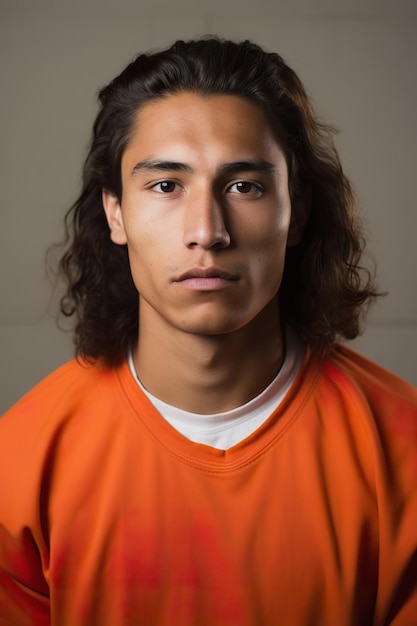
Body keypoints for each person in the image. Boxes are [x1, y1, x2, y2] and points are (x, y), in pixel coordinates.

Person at [0, 36, 416, 626]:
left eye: (244, 186)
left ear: (293, 210)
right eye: (167, 185)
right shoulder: (17, 467)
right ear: (116, 213)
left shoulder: (403, 450)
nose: (207, 230)